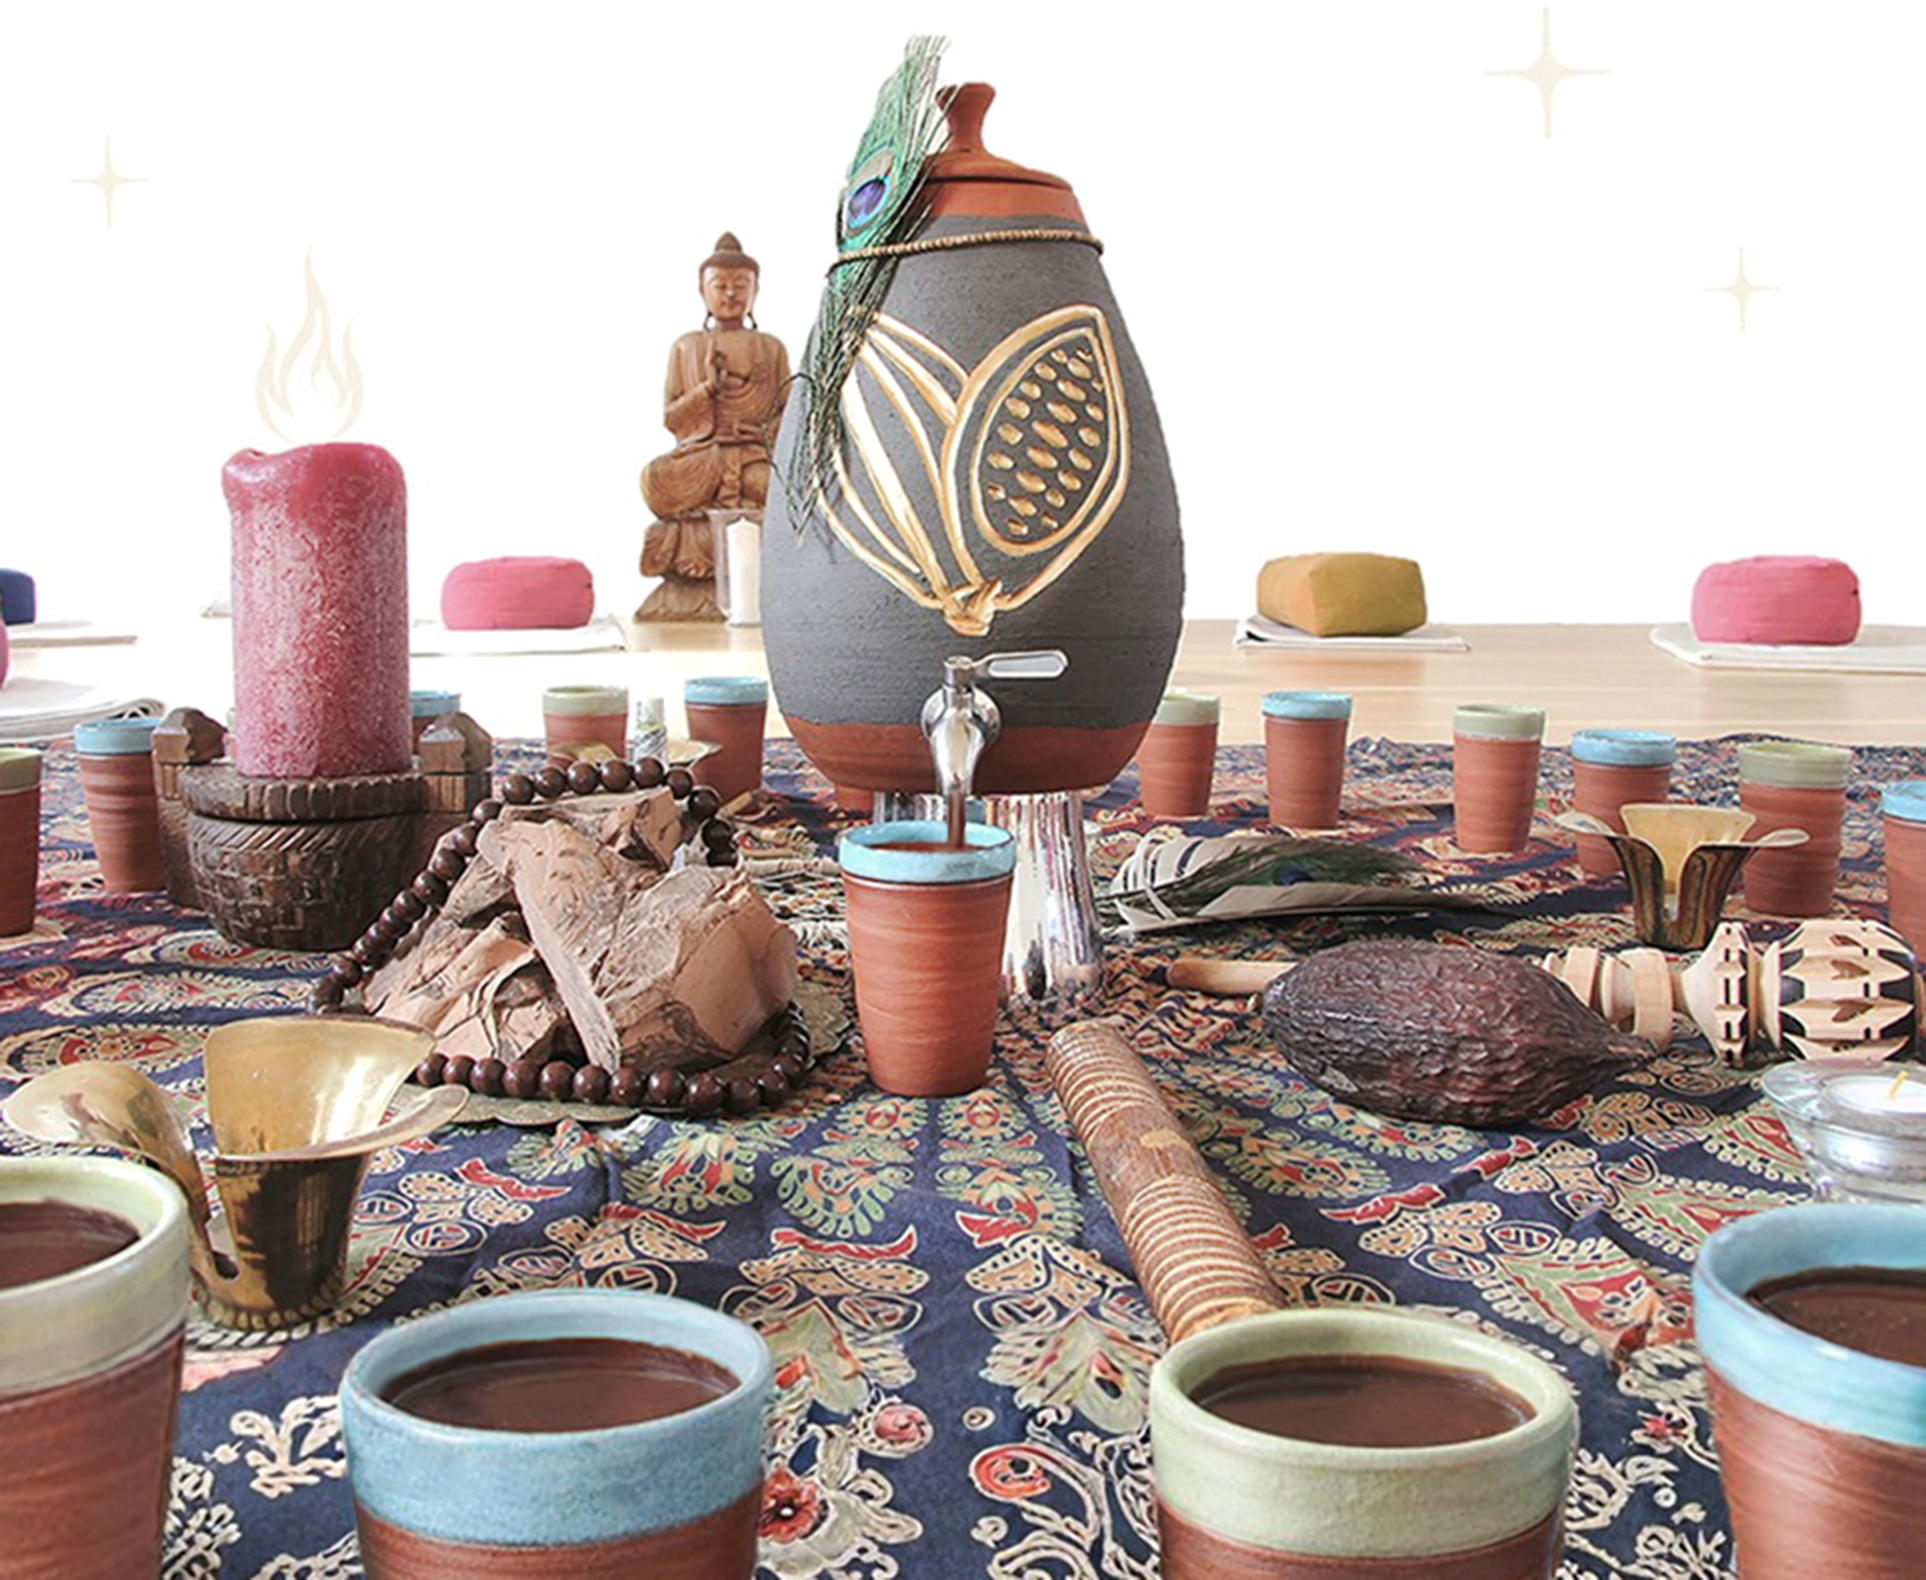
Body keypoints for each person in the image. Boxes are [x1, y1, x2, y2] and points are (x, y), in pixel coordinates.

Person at [636, 233, 790, 621]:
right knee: (655, 480)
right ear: (702, 291)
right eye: (720, 285)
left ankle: (758, 587)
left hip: (754, 459)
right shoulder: (686, 346)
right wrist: (707, 389)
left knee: (784, 492)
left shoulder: (771, 348)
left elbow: (788, 416)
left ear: (755, 291)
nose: (731, 294)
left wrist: (761, 436)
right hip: (702, 457)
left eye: (741, 285)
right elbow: (672, 418)